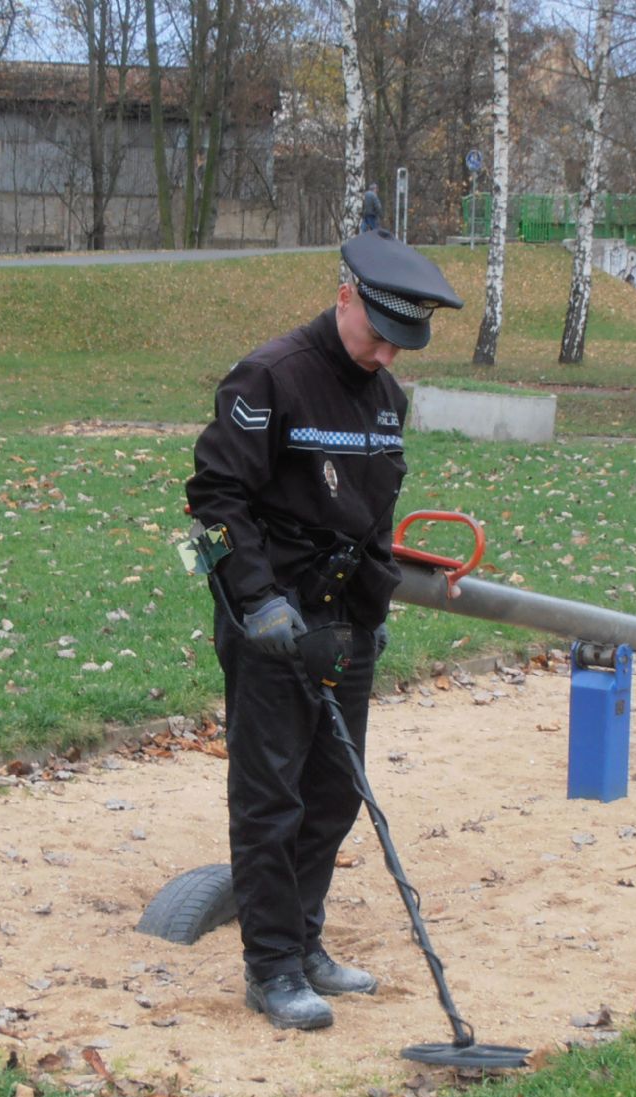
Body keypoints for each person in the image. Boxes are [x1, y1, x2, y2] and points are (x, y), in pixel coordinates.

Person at [186, 231, 463, 1030]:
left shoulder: (387, 399)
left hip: (347, 621)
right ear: (346, 296)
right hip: (273, 617)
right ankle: (270, 968)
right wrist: (260, 601)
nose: (385, 354)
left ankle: (306, 943)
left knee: (334, 793)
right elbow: (215, 498)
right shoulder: (270, 378)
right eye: (378, 333)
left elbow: (374, 515)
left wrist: (371, 617)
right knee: (270, 799)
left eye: (401, 343)